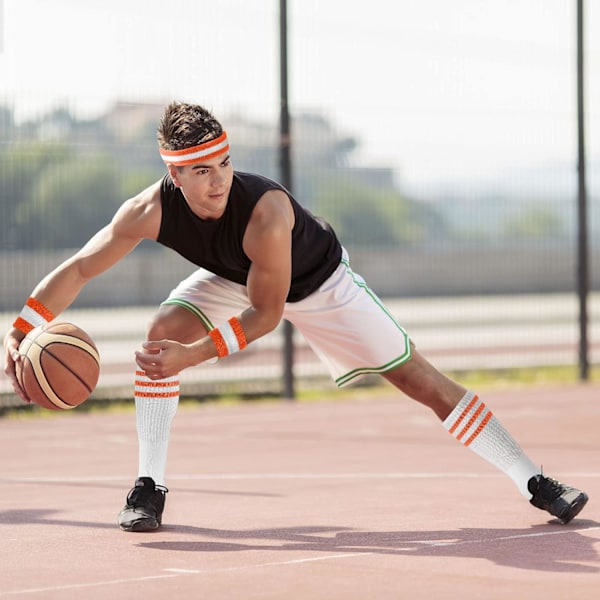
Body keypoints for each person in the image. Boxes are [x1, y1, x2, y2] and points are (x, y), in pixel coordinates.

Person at [3, 101, 588, 532]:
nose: (218, 180)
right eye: (201, 170)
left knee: (420, 381)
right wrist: (22, 329)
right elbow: (80, 268)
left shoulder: (266, 211)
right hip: (234, 278)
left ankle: (532, 478)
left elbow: (266, 316)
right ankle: (148, 486)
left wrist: (195, 356)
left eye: (224, 164)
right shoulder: (148, 210)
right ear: (174, 175)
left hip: (319, 284)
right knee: (161, 336)